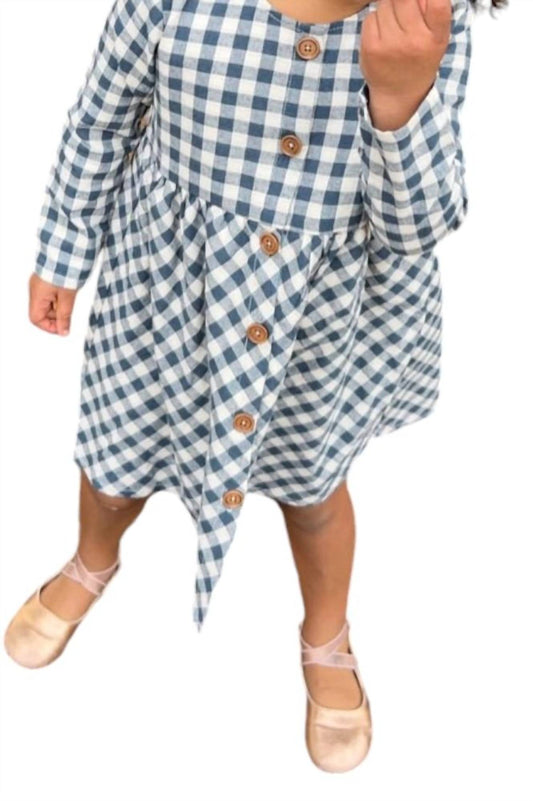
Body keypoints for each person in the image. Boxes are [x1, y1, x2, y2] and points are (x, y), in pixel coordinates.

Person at [4, 0, 506, 774]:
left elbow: (416, 229)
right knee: (113, 465)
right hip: (162, 298)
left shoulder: (424, 22)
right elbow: (103, 119)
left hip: (319, 330)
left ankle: (326, 632)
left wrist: (399, 96)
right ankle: (90, 559)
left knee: (313, 495)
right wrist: (64, 249)